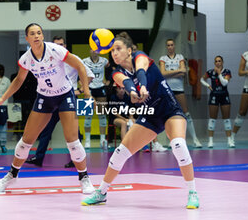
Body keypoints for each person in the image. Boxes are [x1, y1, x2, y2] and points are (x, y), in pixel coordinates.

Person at [81, 32, 199, 209]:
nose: (114, 53)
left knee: (178, 145)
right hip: (149, 115)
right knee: (120, 152)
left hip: (169, 110)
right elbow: (126, 82)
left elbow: (141, 71)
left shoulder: (140, 56)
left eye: (118, 49)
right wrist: (133, 93)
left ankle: (192, 193)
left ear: (129, 50)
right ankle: (102, 192)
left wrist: (142, 86)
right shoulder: (116, 72)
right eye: (112, 51)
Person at [0, 23, 95, 194]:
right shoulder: (26, 59)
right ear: (27, 38)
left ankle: (84, 178)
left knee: (72, 141)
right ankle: (11, 175)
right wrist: (3, 98)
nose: (37, 36)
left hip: (64, 95)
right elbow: (19, 80)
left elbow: (80, 66)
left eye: (39, 33)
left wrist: (86, 92)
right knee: (26, 141)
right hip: (44, 98)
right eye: (33, 34)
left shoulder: (55, 50)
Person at [25, 35, 94, 167]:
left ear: (65, 46)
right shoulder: (49, 59)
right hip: (52, 98)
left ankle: (76, 160)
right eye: (57, 44)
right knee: (46, 129)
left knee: (74, 132)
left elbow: (88, 74)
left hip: (68, 97)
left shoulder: (72, 58)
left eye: (62, 44)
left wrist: (81, 90)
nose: (59, 46)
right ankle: (39, 158)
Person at [159, 39, 202, 148]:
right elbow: (163, 74)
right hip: (168, 90)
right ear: (166, 47)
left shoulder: (180, 57)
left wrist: (172, 73)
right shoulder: (163, 59)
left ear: (174, 46)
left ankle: (195, 139)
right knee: (170, 116)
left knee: (186, 113)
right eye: (168, 45)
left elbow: (183, 72)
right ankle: (172, 140)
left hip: (179, 89)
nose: (170, 47)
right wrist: (177, 71)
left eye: (172, 45)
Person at [200, 56, 234, 148]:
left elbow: (224, 83)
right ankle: (210, 141)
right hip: (214, 95)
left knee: (226, 119)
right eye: (216, 61)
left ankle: (229, 140)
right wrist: (208, 85)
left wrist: (219, 73)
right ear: (214, 63)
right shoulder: (210, 72)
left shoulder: (227, 72)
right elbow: (201, 79)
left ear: (222, 62)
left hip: (224, 96)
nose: (218, 63)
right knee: (212, 118)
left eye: (219, 61)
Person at [83, 49, 110, 149]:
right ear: (89, 50)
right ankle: (87, 141)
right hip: (89, 88)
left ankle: (103, 140)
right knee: (88, 116)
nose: (94, 51)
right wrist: (82, 84)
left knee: (102, 115)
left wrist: (108, 81)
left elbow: (111, 69)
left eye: (96, 50)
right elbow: (79, 71)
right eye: (92, 49)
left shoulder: (104, 61)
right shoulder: (84, 61)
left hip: (100, 88)